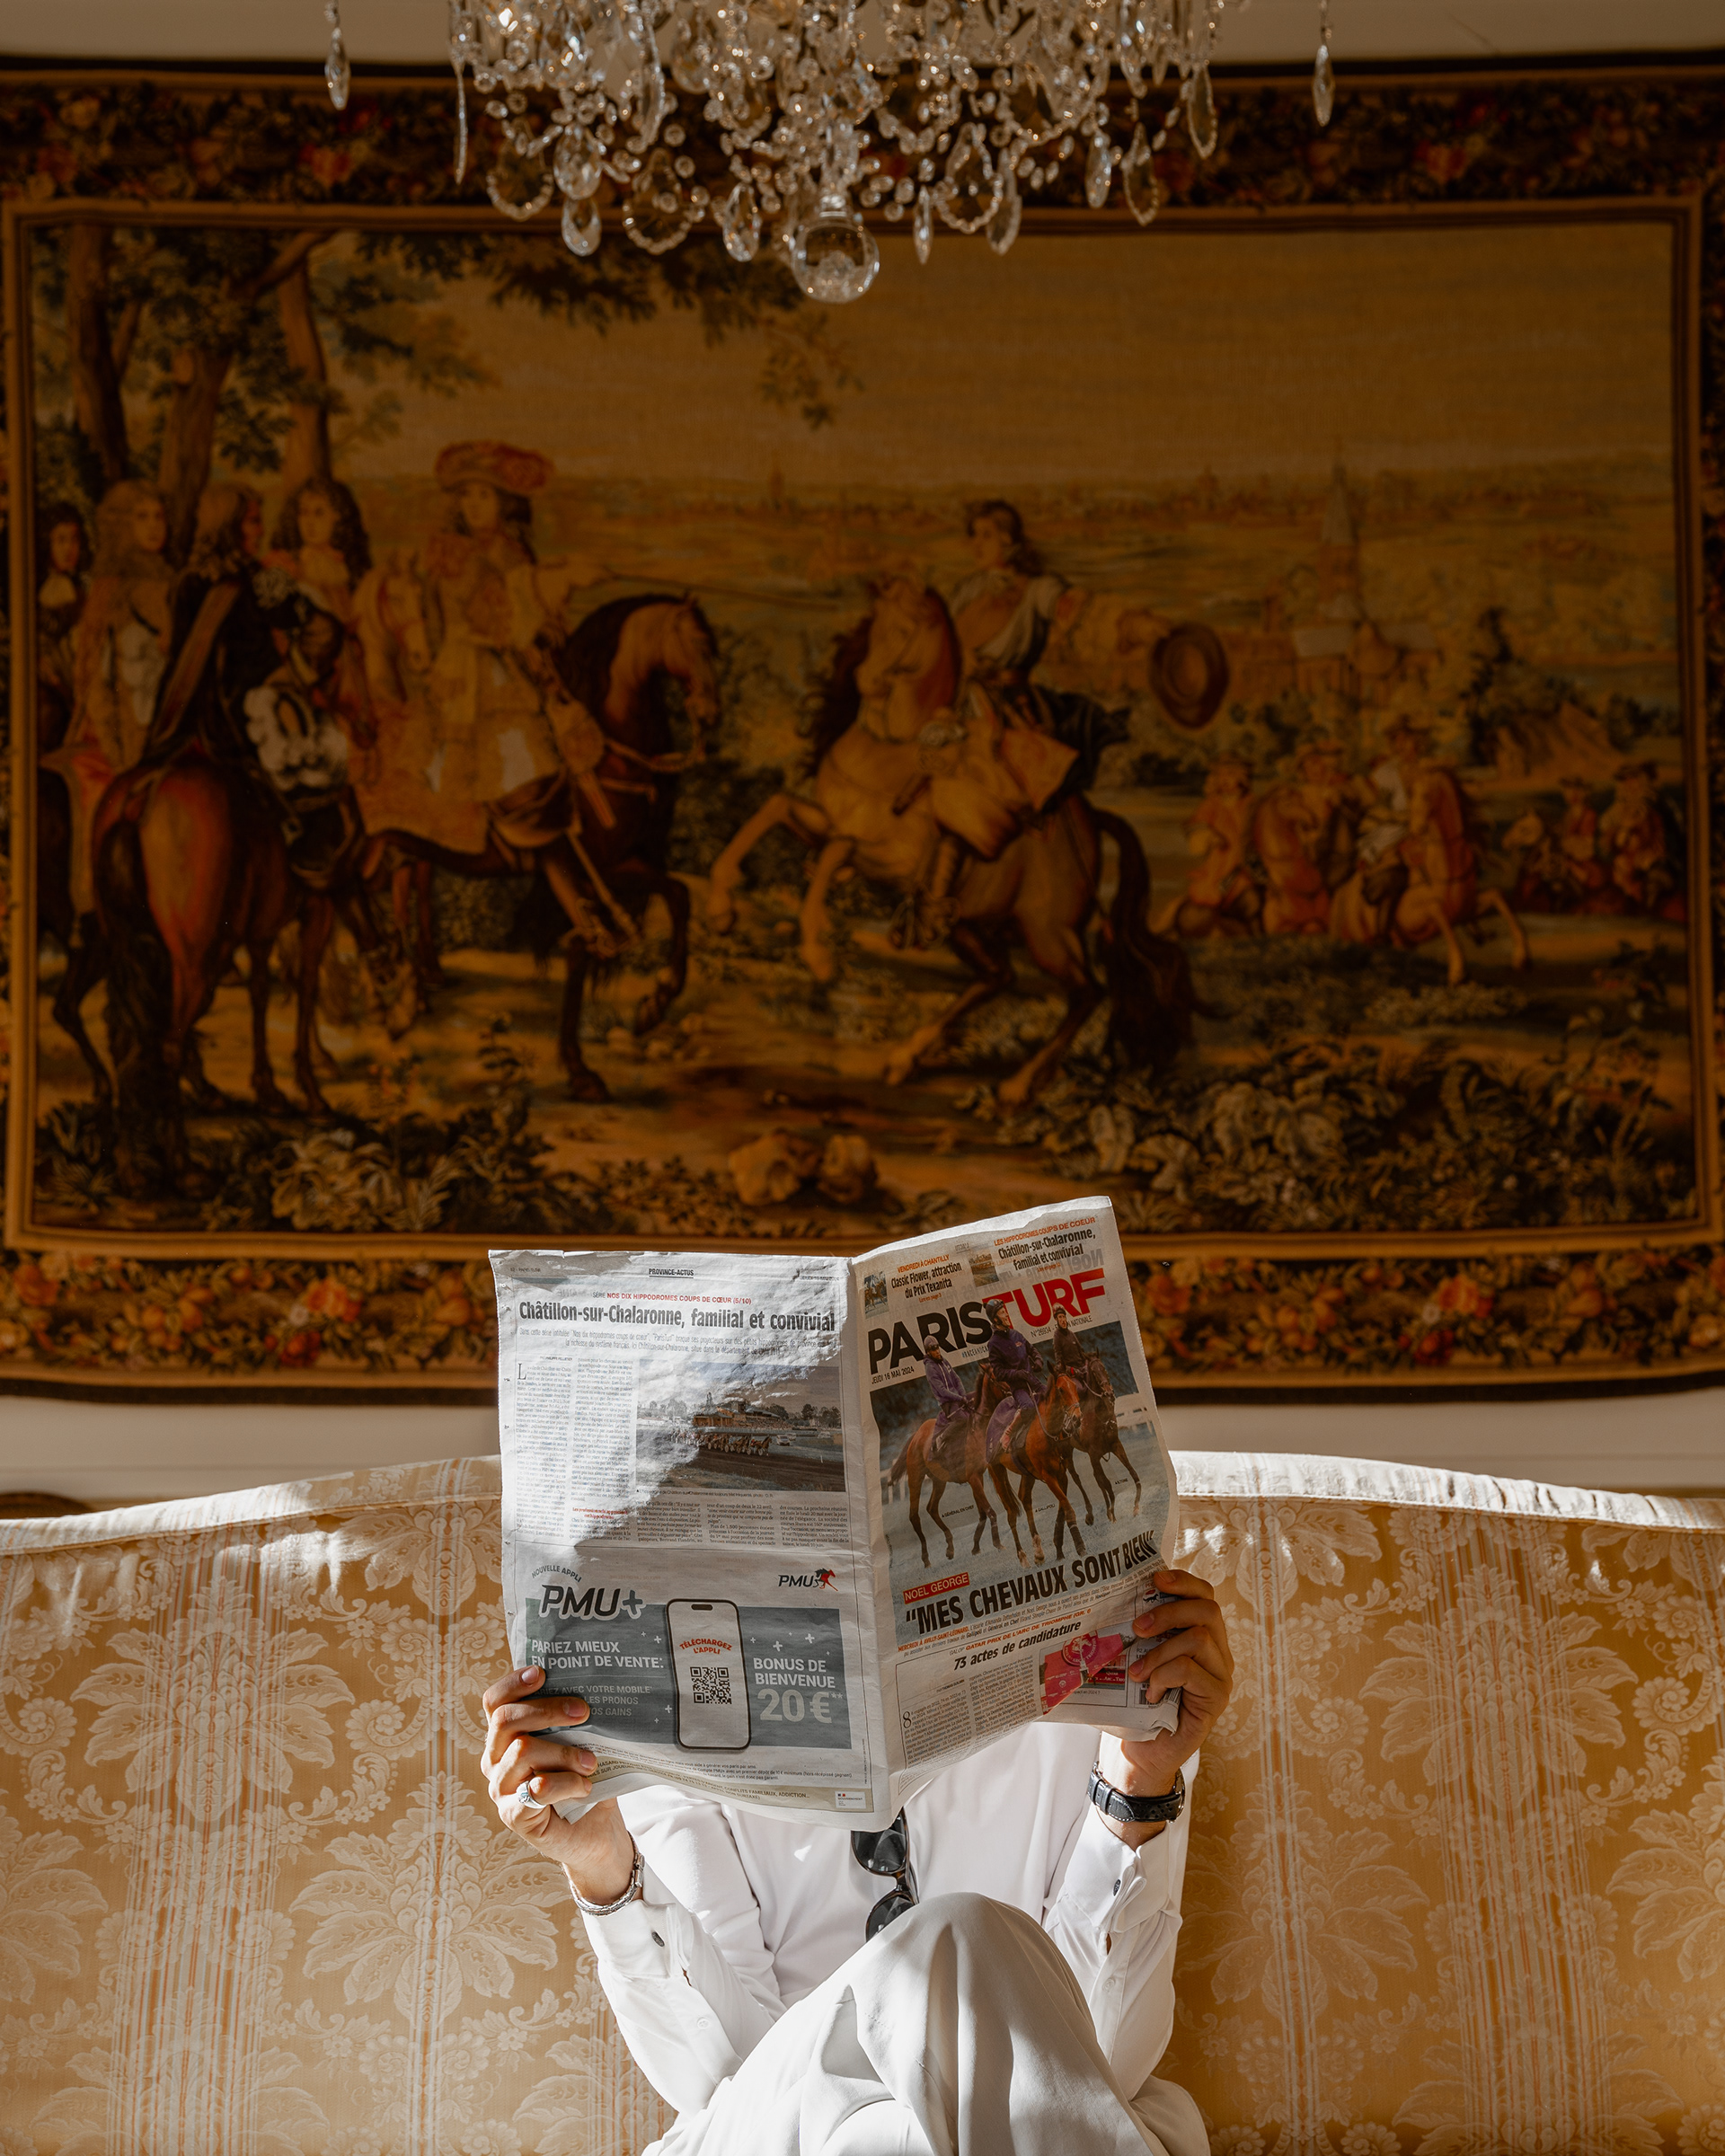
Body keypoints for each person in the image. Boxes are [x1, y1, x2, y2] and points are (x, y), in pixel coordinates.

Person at [482, 1564, 1234, 2156]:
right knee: (961, 1941)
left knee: (956, 1967)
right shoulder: (687, 1687)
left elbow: (1094, 2065)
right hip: (777, 2133)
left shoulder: (1113, 1686)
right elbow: (718, 2076)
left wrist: (1139, 1784)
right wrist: (604, 1864)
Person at [43, 481, 174, 915]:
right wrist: (121, 756)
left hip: (161, 728)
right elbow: (98, 682)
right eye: (142, 517)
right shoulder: (110, 587)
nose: (154, 527)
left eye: (159, 517)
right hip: (114, 737)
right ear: (122, 525)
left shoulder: (169, 579)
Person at [982, 1296, 1044, 1469]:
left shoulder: (1017, 1334)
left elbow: (1033, 1350)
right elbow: (998, 1373)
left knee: (1055, 1398)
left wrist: (1038, 1361)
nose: (1006, 1315)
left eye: (1005, 1311)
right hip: (1019, 1388)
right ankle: (1008, 1434)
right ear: (995, 1319)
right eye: (1003, 1313)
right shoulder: (994, 1344)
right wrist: (1018, 1375)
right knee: (1029, 1407)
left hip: (1034, 1382)